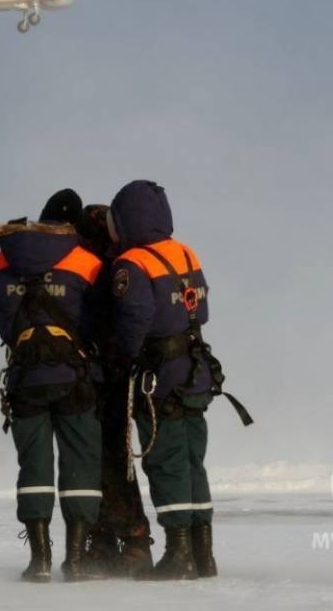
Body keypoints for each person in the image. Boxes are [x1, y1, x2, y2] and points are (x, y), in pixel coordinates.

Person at [108, 180, 229, 580]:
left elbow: (135, 318)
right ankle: (202, 555)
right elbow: (203, 309)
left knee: (165, 463)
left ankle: (177, 555)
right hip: (196, 372)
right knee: (194, 462)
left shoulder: (131, 263)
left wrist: (122, 357)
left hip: (160, 377)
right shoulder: (185, 252)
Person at [0, 195, 104, 583]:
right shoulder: (86, 260)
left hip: (25, 377)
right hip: (74, 378)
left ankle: (39, 561)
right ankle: (77, 560)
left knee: (34, 467)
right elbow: (99, 316)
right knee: (81, 463)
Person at [76, 202, 155, 577]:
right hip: (115, 375)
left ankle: (127, 541)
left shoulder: (97, 268)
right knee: (111, 460)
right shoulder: (119, 263)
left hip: (106, 376)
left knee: (107, 461)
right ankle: (118, 541)